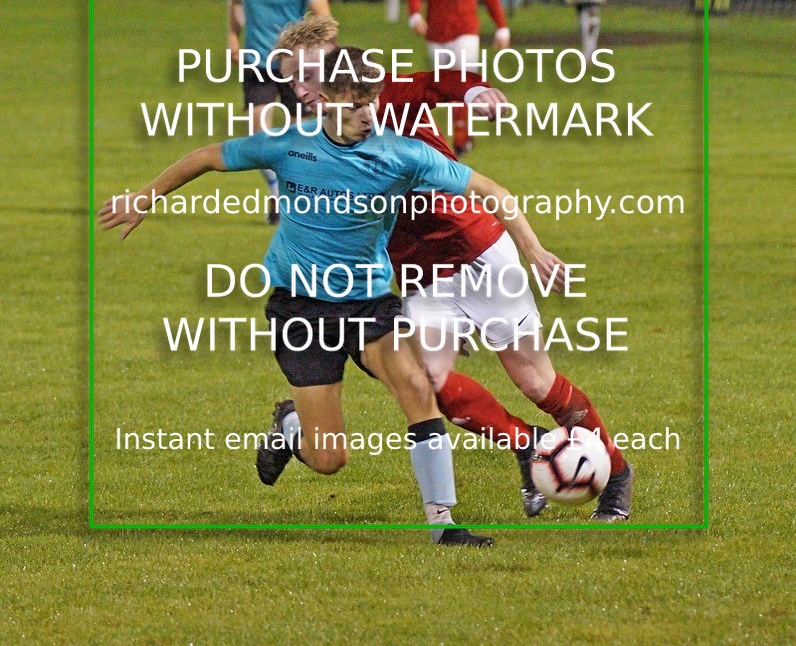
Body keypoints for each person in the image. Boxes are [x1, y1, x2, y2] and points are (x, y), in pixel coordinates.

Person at [98, 47, 564, 544]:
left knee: (418, 387)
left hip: (368, 305)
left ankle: (443, 525)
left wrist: (532, 248)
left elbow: (493, 191)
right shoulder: (288, 145)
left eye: (372, 102)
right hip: (300, 310)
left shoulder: (400, 154)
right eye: (355, 105)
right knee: (330, 460)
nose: (368, 115)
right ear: (323, 102)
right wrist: (142, 198)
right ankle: (291, 425)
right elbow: (207, 158)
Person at [276, 16, 634, 523]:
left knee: (536, 383)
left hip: (477, 248)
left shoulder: (388, 91)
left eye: (308, 75)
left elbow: (445, 80)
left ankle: (616, 472)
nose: (301, 89)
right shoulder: (308, 136)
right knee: (429, 380)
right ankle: (527, 444)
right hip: (418, 271)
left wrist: (476, 93)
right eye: (291, 80)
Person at [227, 0, 331, 221]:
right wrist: (232, 36)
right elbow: (235, 3)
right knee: (258, 135)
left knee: (300, 139)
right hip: (258, 60)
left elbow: (324, 16)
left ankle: (300, 198)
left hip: (296, 66)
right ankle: (276, 190)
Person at [406, 0, 510, 156]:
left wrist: (501, 27)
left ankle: (461, 140)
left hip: (465, 30)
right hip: (436, 32)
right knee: (444, 86)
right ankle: (443, 136)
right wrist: (415, 15)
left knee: (462, 82)